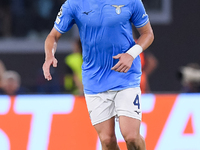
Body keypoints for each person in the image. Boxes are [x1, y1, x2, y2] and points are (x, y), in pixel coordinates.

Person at [43, 0, 154, 149]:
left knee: (132, 137)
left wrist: (131, 54)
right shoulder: (74, 4)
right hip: (94, 79)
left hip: (125, 76)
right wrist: (49, 55)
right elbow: (53, 36)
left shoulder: (131, 1)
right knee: (107, 140)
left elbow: (148, 34)